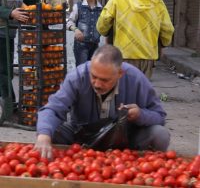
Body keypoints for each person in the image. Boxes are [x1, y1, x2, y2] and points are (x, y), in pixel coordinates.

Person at [35, 44, 170, 159]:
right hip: (82, 135)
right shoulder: (77, 77)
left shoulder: (136, 79)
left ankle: (139, 167)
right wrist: (44, 135)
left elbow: (159, 116)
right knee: (49, 128)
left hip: (125, 138)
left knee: (160, 134)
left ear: (120, 74)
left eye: (105, 80)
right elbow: (53, 108)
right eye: (94, 76)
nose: (97, 84)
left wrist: (140, 115)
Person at [96, 0, 174, 79]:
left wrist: (106, 32)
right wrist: (163, 44)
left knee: (124, 93)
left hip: (123, 57)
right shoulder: (157, 0)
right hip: (147, 58)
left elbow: (102, 24)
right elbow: (167, 29)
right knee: (142, 93)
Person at [0, 0, 39, 115]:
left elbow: (33, 2)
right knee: (4, 70)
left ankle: (8, 102)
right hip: (0, 32)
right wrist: (10, 13)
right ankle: (9, 104)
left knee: (6, 69)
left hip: (9, 35)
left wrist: (40, 4)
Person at [67, 0, 102, 66]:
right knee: (82, 71)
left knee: (94, 71)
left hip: (95, 46)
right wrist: (76, 29)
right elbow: (69, 22)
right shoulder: (78, 7)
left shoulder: (101, 9)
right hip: (81, 46)